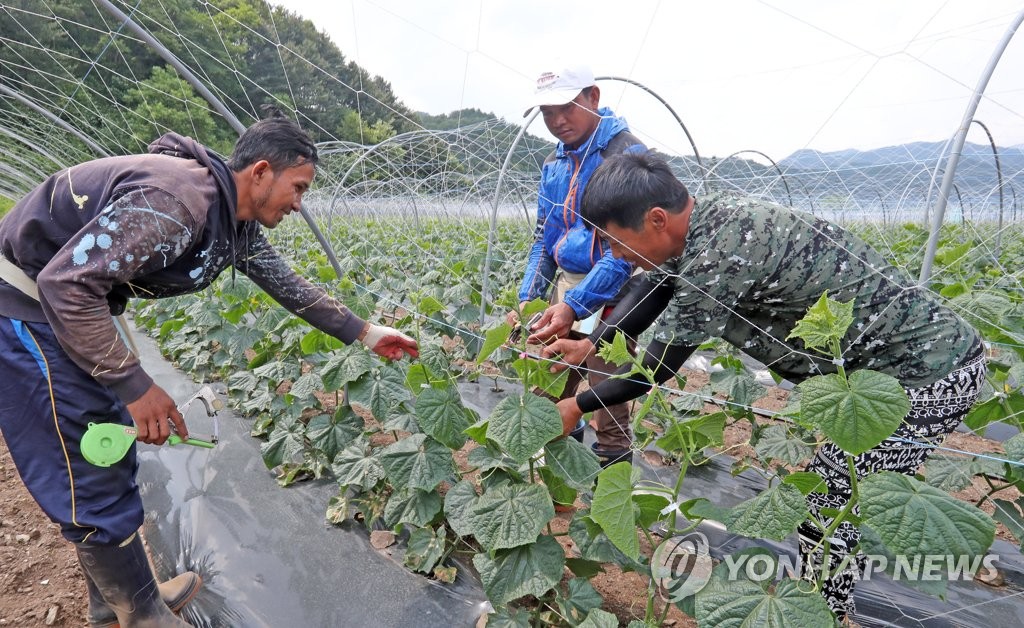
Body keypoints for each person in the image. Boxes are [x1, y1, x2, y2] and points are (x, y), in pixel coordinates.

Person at [0, 110, 417, 627]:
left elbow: (287, 285)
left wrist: (366, 333)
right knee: (86, 471)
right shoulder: (178, 202)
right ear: (261, 172)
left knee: (111, 454)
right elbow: (65, 284)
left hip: (65, 318)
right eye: (298, 187)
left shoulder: (230, 220)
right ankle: (144, 615)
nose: (298, 204)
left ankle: (116, 601)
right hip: (23, 312)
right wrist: (135, 384)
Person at [542, 150, 985, 620]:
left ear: (655, 219)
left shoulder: (719, 256)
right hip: (882, 369)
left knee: (833, 498)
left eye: (614, 242)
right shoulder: (699, 224)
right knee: (843, 495)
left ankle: (824, 614)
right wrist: (593, 344)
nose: (614, 255)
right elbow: (653, 289)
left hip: (931, 372)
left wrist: (577, 405)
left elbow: (657, 369)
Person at [510, 64, 646, 468]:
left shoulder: (627, 156)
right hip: (567, 287)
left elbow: (623, 252)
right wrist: (530, 299)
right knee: (548, 385)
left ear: (593, 97)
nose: (557, 121)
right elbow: (544, 240)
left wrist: (576, 305)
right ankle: (558, 481)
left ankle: (609, 495)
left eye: (565, 107)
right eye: (547, 113)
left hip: (617, 290)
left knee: (608, 396)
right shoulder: (555, 163)